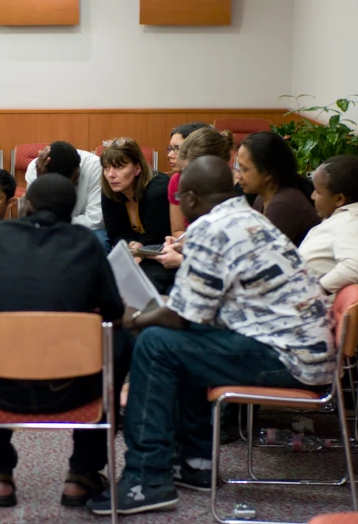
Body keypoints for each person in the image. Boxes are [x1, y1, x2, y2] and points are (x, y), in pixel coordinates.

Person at [88, 156, 334, 516]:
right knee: (179, 342)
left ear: (188, 198)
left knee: (157, 344)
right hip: (300, 349)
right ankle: (196, 462)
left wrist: (135, 318)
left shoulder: (211, 229)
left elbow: (181, 316)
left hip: (290, 359)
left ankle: (147, 479)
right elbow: (198, 312)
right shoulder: (246, 217)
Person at [0, 174, 133, 509]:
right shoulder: (85, 243)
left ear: (26, 206)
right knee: (122, 341)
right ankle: (82, 474)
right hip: (72, 388)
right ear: (71, 212)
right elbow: (113, 311)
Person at [299, 155, 358, 293]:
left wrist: (314, 292)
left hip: (307, 304)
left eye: (318, 192)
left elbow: (356, 268)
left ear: (339, 199)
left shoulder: (356, 224)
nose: (312, 196)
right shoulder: (348, 217)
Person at [100, 137, 172, 292]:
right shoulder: (110, 190)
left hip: (163, 254)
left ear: (137, 168)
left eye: (119, 167)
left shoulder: (157, 190)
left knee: (134, 285)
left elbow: (157, 237)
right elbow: (115, 232)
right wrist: (130, 242)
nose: (111, 174)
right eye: (106, 167)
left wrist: (138, 250)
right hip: (134, 252)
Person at [157, 127, 235, 270]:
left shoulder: (232, 215)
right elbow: (180, 231)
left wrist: (183, 259)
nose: (185, 180)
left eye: (191, 172)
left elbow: (223, 266)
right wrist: (180, 244)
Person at [236, 132, 320, 246]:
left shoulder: (282, 205)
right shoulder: (261, 198)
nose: (238, 176)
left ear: (268, 173)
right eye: (238, 167)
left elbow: (264, 254)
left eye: (245, 169)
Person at [25, 141, 107, 250]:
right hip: (49, 228)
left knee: (100, 240)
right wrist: (43, 183)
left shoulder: (94, 166)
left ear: (78, 166)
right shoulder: (37, 169)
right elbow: (34, 217)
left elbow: (96, 219)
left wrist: (57, 224)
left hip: (87, 229)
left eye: (74, 183)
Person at [166, 122, 208, 236]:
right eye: (170, 148)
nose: (170, 154)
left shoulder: (216, 181)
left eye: (177, 149)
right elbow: (177, 230)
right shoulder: (176, 180)